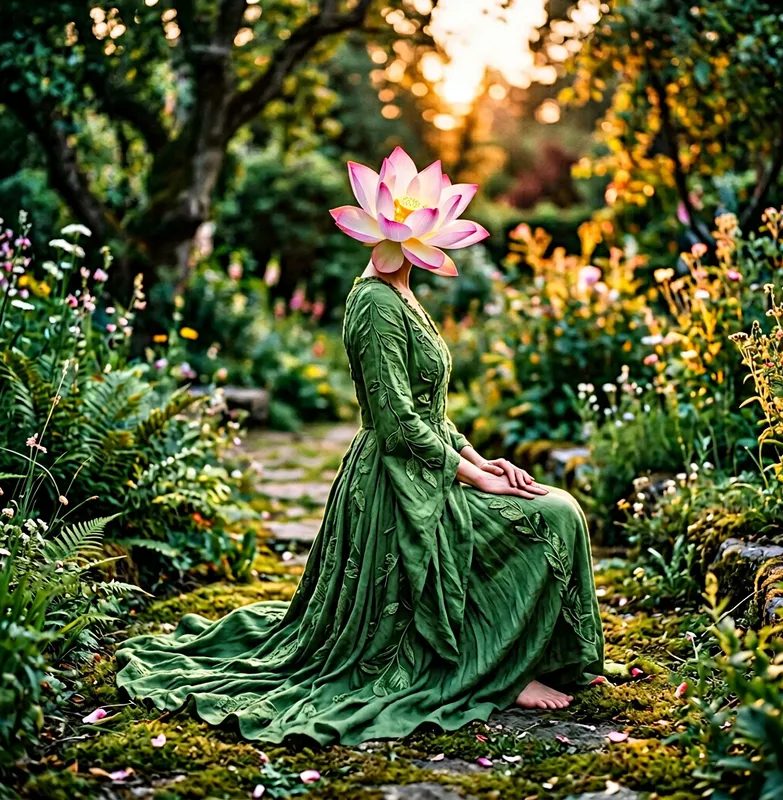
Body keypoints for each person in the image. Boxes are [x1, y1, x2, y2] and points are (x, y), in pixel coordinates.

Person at [117, 148, 604, 746]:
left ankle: (522, 657)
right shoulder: (374, 303)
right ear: (379, 221)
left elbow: (432, 412)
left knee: (555, 508)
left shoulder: (402, 293)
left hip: (429, 467)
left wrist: (484, 461)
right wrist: (472, 480)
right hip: (396, 484)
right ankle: (499, 670)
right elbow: (397, 422)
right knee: (552, 514)